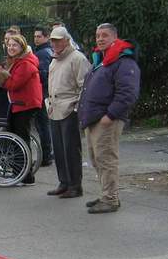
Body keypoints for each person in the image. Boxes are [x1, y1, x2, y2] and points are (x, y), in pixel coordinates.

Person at [78, 23, 140, 213]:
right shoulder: (102, 61)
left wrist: (110, 115)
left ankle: (110, 198)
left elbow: (128, 93)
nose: (100, 39)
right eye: (98, 35)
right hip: (94, 118)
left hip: (106, 119)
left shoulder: (123, 61)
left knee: (106, 159)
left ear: (115, 37)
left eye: (104, 35)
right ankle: (107, 194)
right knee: (97, 159)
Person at [0, 34, 43, 185]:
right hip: (18, 104)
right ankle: (19, 173)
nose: (11, 48)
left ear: (22, 47)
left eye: (15, 45)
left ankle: (26, 176)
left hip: (25, 104)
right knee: (16, 139)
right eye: (9, 45)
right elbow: (9, 82)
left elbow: (13, 84)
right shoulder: (17, 61)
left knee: (21, 140)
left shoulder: (26, 63)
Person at [47, 26, 92, 199]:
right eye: (53, 40)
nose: (55, 43)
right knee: (58, 149)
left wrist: (76, 108)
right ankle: (64, 182)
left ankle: (75, 185)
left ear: (66, 40)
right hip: (55, 108)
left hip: (69, 108)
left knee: (71, 149)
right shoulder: (55, 59)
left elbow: (85, 85)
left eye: (58, 40)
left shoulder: (77, 58)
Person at [32, 27, 54, 166]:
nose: (36, 39)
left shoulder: (43, 53)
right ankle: (47, 154)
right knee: (42, 125)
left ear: (46, 37)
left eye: (39, 36)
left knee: (43, 125)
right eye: (35, 36)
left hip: (42, 94)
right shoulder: (42, 51)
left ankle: (47, 156)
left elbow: (43, 74)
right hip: (43, 93)